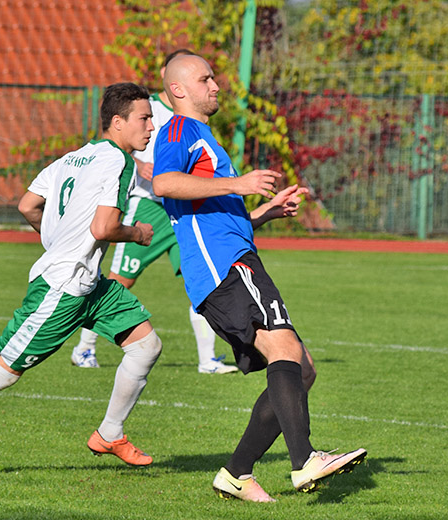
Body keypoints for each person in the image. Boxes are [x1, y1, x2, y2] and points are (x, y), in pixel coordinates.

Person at [0, 82, 163, 471]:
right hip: (64, 287)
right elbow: (104, 228)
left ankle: (109, 433)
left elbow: (27, 205)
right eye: (144, 118)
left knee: (146, 346)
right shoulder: (119, 162)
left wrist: (58, 240)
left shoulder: (72, 158)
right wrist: (137, 233)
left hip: (90, 284)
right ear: (118, 122)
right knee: (5, 371)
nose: (151, 126)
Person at [152, 54, 367, 502]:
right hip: (225, 266)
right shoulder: (179, 130)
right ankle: (305, 460)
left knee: (301, 370)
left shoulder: (203, 136)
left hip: (233, 259)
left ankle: (236, 474)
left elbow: (211, 214)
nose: (215, 85)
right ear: (178, 89)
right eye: (205, 79)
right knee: (285, 350)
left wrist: (263, 213)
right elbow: (165, 183)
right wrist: (239, 184)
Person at [71, 49, 238, 375]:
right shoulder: (148, 107)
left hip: (184, 212)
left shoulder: (192, 113)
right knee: (122, 280)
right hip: (148, 208)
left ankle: (207, 360)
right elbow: (110, 141)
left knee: (200, 279)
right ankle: (84, 348)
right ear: (168, 75)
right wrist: (139, 163)